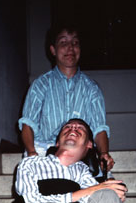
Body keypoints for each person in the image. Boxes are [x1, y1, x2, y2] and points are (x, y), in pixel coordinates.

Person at [18, 23, 114, 173]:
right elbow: (28, 124)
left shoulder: (92, 88)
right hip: (44, 150)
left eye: (75, 43)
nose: (70, 48)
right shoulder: (40, 85)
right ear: (53, 50)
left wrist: (103, 153)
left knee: (107, 189)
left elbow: (99, 128)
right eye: (63, 42)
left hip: (81, 153)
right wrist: (31, 153)